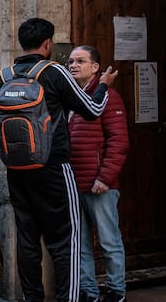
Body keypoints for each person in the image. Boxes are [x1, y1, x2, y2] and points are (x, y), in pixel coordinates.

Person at [0, 18, 116, 302]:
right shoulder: (54, 72)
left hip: (17, 172)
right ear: (47, 43)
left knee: (27, 239)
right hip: (55, 169)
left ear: (22, 43)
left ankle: (31, 298)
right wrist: (104, 85)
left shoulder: (3, 77)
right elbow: (93, 109)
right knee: (65, 240)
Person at [67, 46, 129, 302]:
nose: (73, 65)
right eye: (70, 61)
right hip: (73, 184)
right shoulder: (70, 97)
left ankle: (116, 291)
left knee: (108, 241)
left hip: (99, 185)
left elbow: (119, 142)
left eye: (80, 61)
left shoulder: (108, 97)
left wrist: (105, 177)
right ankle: (89, 292)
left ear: (95, 68)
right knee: (80, 244)